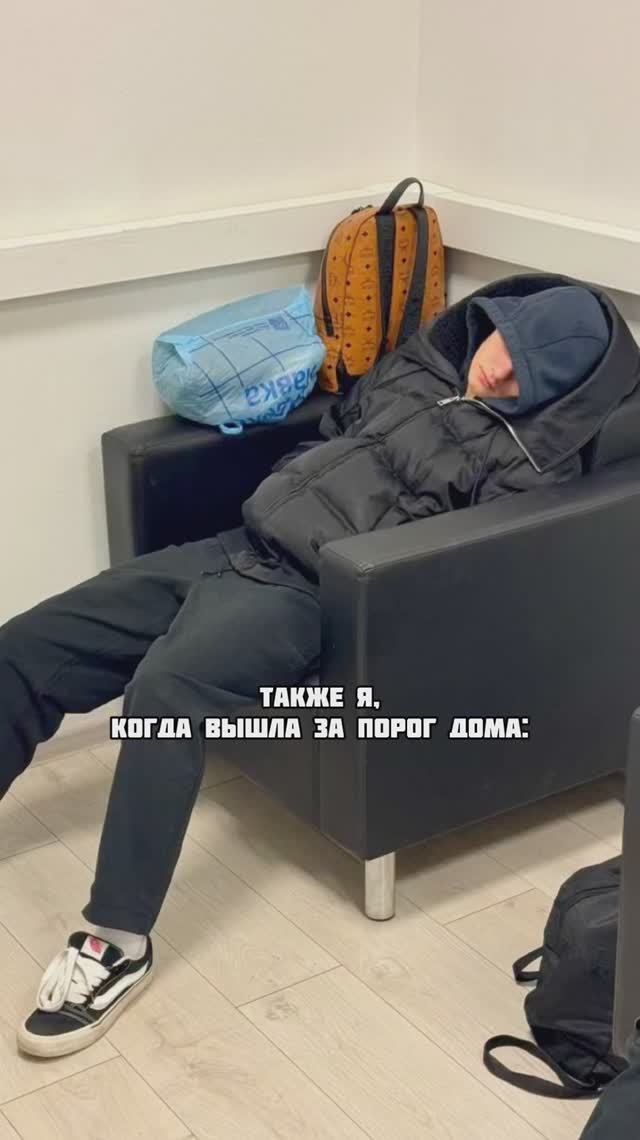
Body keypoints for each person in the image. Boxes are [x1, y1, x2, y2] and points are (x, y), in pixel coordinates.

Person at [3, 273, 638, 1058]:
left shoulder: (528, 462)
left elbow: (474, 567)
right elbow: (340, 427)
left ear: (553, 394)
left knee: (167, 694)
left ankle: (117, 942)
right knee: (29, 643)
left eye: (523, 379)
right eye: (505, 347)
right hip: (237, 545)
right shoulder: (424, 370)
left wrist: (349, 565)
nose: (498, 371)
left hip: (307, 594)